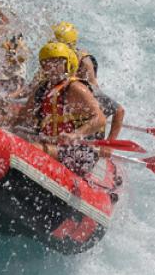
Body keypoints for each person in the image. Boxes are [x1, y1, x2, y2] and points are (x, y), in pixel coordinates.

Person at [12, 42, 105, 176]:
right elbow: (22, 117)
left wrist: (76, 134)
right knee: (17, 137)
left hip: (79, 151)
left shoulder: (75, 88)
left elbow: (100, 119)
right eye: (47, 63)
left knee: (29, 148)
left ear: (67, 64)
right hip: (54, 144)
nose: (51, 67)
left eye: (57, 62)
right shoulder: (42, 89)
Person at [51, 21, 125, 141]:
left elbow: (93, 87)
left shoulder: (84, 62)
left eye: (56, 42)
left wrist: (109, 144)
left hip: (87, 104)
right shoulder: (53, 60)